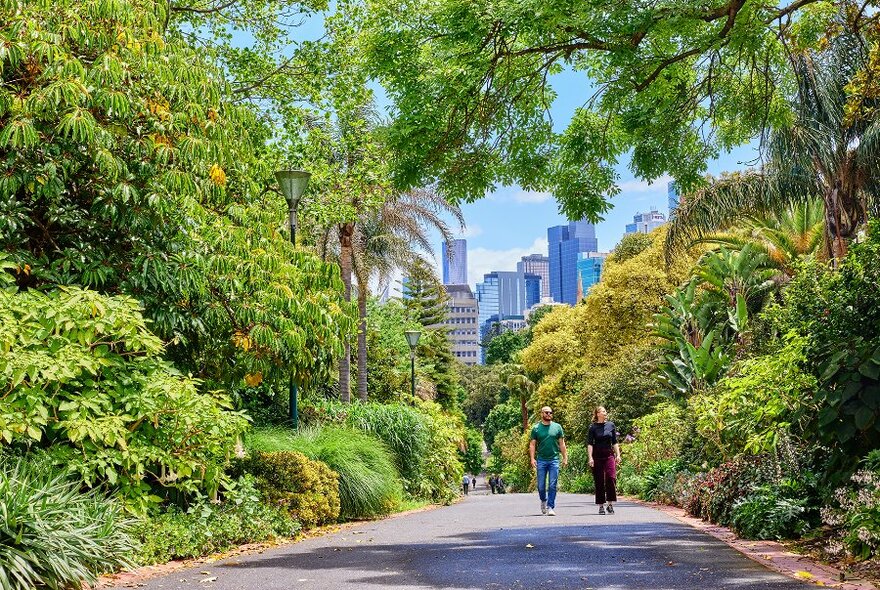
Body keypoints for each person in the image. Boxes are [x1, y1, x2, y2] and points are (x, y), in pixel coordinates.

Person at [529, 406, 568, 516]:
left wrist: (565, 457)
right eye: (546, 412)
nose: (549, 414)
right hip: (541, 460)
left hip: (554, 460)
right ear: (541, 414)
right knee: (541, 486)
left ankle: (550, 506)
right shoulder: (536, 428)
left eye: (550, 412)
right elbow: (532, 444)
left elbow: (562, 444)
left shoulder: (557, 427)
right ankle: (543, 500)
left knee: (552, 485)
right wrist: (532, 458)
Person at [588, 405, 621, 515]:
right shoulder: (592, 427)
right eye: (603, 411)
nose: (605, 412)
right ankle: (601, 506)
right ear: (598, 414)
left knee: (611, 478)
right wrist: (590, 457)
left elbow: (614, 442)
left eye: (605, 411)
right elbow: (590, 444)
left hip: (609, 455)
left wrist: (618, 455)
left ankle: (610, 504)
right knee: (599, 481)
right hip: (597, 456)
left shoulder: (611, 425)